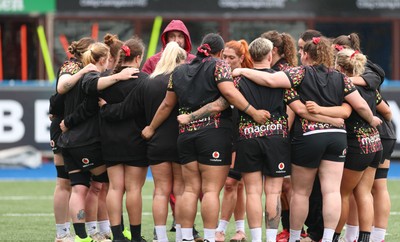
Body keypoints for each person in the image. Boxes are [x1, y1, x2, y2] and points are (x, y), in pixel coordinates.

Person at [232, 36, 381, 242]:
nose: (299, 55)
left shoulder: (299, 73)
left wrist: (242, 70)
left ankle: (294, 237)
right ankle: (328, 239)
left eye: (301, 52)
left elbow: (269, 79)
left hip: (309, 136)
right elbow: (361, 107)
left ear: (306, 54)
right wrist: (371, 119)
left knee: (301, 192)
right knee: (331, 191)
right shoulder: (340, 77)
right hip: (337, 138)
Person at [142, 33, 270, 242]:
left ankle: (184, 237)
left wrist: (151, 127)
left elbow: (166, 105)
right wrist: (253, 111)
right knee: (210, 191)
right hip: (214, 134)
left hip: (185, 137)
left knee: (189, 190)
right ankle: (210, 238)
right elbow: (228, 94)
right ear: (219, 52)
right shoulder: (219, 66)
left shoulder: (180, 70)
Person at [98, 41, 187, 242]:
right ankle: (137, 236)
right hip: (136, 140)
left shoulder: (105, 79)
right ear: (139, 58)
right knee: (134, 189)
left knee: (114, 188)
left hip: (110, 141)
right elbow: (133, 109)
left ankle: (118, 236)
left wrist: (104, 108)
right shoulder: (144, 80)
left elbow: (91, 94)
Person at [59, 42, 138, 242]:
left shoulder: (76, 76)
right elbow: (88, 104)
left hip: (68, 143)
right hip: (84, 142)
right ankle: (110, 231)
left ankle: (82, 237)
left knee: (79, 187)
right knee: (109, 185)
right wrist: (119, 76)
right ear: (103, 59)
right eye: (110, 59)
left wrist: (60, 119)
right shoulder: (91, 75)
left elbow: (55, 99)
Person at [234, 37, 291, 242]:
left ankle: (256, 239)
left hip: (247, 138)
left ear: (250, 56)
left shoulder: (239, 79)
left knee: (252, 192)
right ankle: (270, 238)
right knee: (273, 192)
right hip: (276, 138)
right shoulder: (282, 77)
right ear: (270, 55)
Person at [330, 49, 383, 242]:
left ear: (341, 67)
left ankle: (333, 237)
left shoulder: (346, 87)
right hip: (374, 143)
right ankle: (364, 238)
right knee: (364, 193)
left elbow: (344, 112)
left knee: (342, 194)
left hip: (356, 145)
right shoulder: (369, 86)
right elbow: (385, 110)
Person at [50, 36, 96, 242]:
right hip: (63, 127)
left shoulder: (86, 67)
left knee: (84, 183)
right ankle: (62, 233)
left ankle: (88, 229)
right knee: (64, 182)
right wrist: (84, 72)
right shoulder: (71, 65)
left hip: (78, 127)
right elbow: (62, 87)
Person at [260, 30, 299, 242]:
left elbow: (291, 107)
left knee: (288, 186)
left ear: (273, 50)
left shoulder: (284, 71)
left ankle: (296, 230)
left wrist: (283, 132)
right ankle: (287, 228)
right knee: (283, 187)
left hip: (288, 135)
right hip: (280, 134)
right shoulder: (273, 69)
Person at [215, 39, 253, 242]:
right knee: (233, 185)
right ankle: (240, 230)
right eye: (225, 57)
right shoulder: (218, 75)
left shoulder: (245, 77)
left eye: (232, 57)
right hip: (221, 134)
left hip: (241, 135)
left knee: (233, 183)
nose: (227, 61)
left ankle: (223, 229)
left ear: (240, 59)